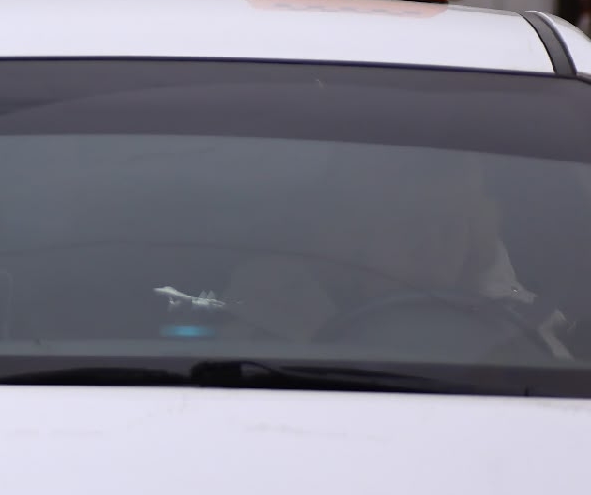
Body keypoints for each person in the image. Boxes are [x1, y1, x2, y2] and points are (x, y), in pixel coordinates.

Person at [226, 147, 568, 355]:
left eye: (450, 226)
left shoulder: (517, 326)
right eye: (409, 225)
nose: (432, 245)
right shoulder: (267, 326)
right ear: (350, 236)